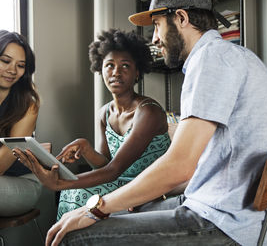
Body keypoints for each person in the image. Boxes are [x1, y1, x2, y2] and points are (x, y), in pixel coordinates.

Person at [16, 0, 267, 245]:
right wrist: (133, 198)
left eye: (157, 25)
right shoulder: (230, 56)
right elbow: (199, 165)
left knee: (72, 235)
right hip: (220, 209)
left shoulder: (212, 60)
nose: (155, 38)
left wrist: (96, 207)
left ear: (180, 18)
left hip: (222, 222)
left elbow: (180, 166)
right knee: (122, 209)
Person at [16, 29, 171, 220]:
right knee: (72, 193)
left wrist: (61, 183)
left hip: (147, 187)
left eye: (125, 66)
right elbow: (105, 165)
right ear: (100, 69)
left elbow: (114, 170)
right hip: (120, 182)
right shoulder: (104, 113)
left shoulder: (148, 112)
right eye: (109, 65)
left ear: (137, 72)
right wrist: (86, 148)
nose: (116, 72)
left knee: (78, 193)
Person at [0, 30, 41, 216]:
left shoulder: (28, 104)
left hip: (22, 181)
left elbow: (1, 164)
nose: (12, 70)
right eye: (5, 61)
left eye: (21, 65)